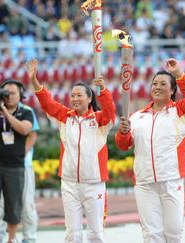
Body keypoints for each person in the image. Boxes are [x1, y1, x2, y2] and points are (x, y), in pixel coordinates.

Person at [27, 59, 116, 243]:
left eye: (79, 95)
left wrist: (104, 91)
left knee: (96, 233)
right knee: (72, 234)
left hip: (94, 183)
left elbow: (110, 112)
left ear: (89, 98)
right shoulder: (64, 118)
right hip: (69, 184)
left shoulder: (100, 121)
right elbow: (47, 102)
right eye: (72, 95)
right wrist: (35, 81)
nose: (75, 98)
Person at [115, 58, 185, 243]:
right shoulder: (137, 117)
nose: (158, 87)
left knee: (173, 233)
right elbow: (124, 145)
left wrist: (179, 73)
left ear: (172, 91)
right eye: (155, 83)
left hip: (171, 180)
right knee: (151, 235)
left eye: (163, 84)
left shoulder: (180, 113)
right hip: (145, 183)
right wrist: (122, 133)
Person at [0, 74, 34, 243]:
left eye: (13, 93)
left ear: (20, 95)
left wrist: (4, 111)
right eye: (7, 93)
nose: (9, 96)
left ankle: (12, 239)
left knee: (14, 205)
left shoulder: (26, 112)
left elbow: (24, 130)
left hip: (15, 166)